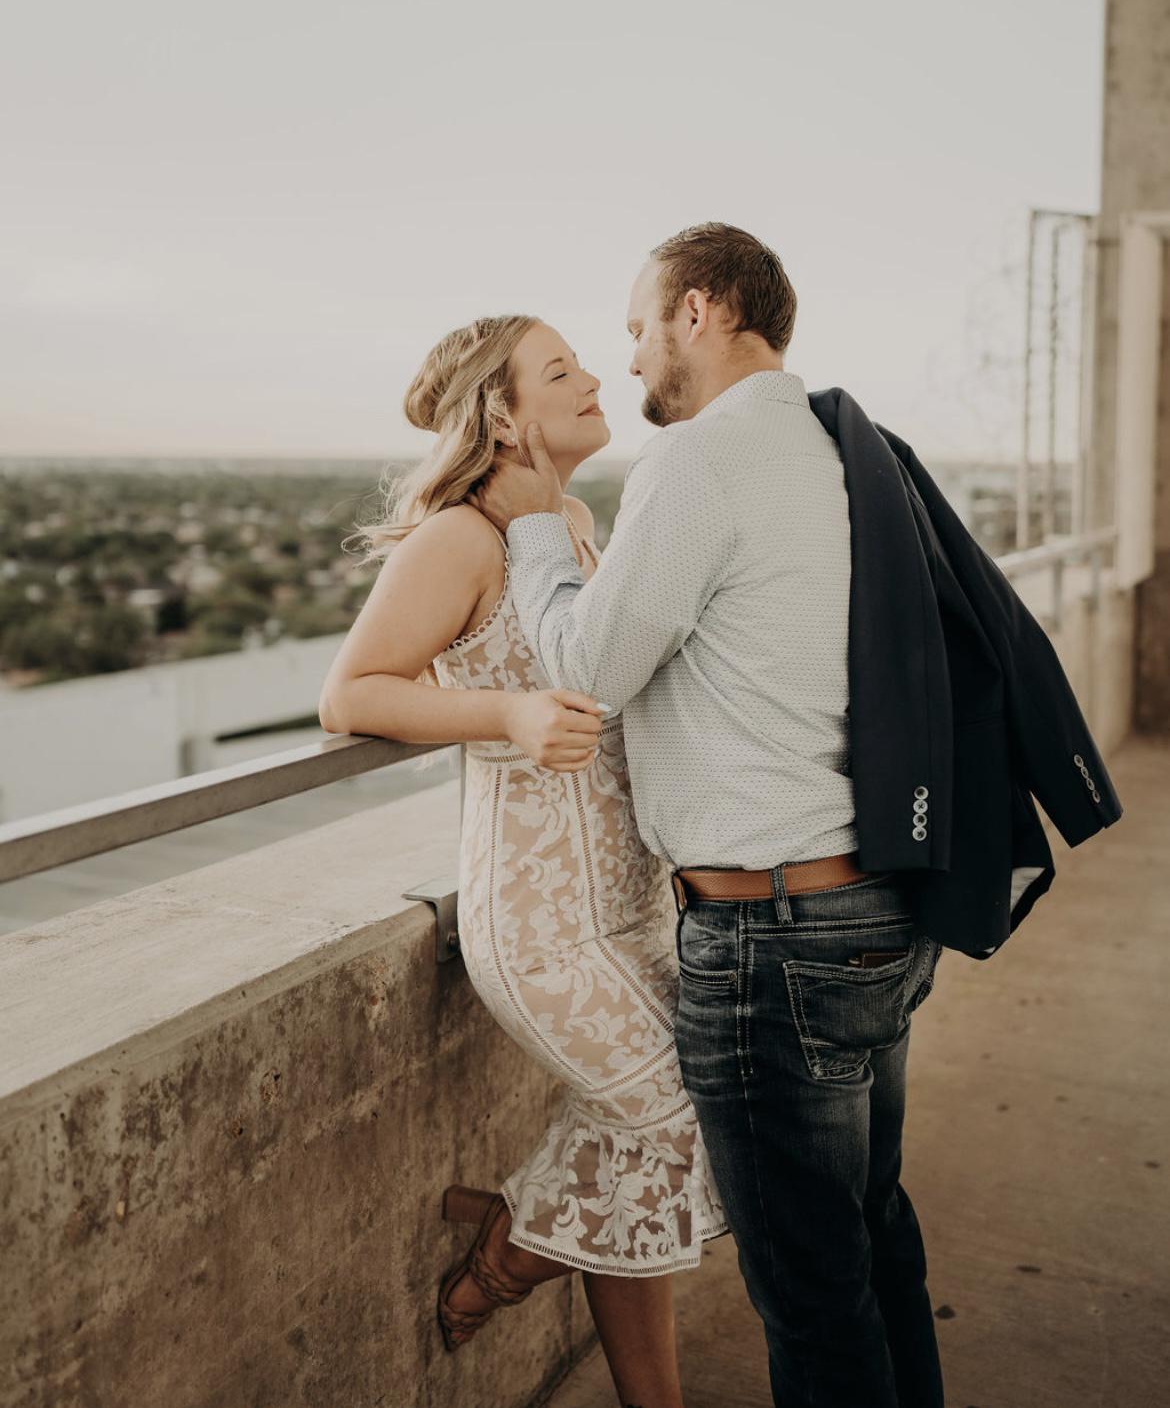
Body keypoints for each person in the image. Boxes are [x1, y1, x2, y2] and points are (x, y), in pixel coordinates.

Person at [473, 221, 946, 1408]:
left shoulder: (699, 464)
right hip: (878, 902)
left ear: (701, 310)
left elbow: (586, 659)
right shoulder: (842, 446)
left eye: (636, 328)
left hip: (775, 937)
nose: (628, 363)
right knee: (871, 1230)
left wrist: (534, 519)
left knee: (809, 1290)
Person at [318, 312, 726, 1408]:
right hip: (541, 929)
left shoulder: (579, 523)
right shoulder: (461, 538)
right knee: (684, 1125)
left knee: (642, 1150)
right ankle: (507, 1251)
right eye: (561, 370)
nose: (597, 376)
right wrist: (507, 710)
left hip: (635, 911)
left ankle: (609, 1349)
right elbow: (350, 693)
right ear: (502, 414)